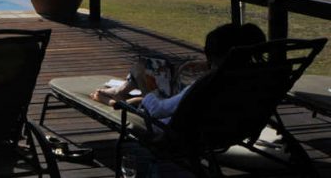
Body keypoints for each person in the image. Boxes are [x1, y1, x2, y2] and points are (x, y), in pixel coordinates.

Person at [91, 22, 266, 123]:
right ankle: (126, 95)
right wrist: (209, 65)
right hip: (224, 125)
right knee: (159, 67)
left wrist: (142, 81)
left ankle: (115, 101)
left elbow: (158, 111)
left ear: (215, 56)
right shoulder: (256, 78)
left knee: (143, 69)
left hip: (172, 126)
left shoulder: (205, 86)